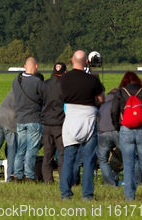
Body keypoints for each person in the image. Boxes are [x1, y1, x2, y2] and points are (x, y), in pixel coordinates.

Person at [59, 50, 104, 200]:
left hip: (70, 118)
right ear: (86, 61)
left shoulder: (64, 79)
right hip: (89, 119)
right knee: (89, 160)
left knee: (68, 159)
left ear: (72, 61)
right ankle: (87, 195)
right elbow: (101, 99)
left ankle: (65, 193)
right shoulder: (92, 80)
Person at [111, 71, 142, 201]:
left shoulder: (120, 92)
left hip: (126, 130)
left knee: (128, 164)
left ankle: (129, 196)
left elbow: (114, 111)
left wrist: (118, 127)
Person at [12, 57, 44, 182]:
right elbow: (43, 98)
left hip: (20, 119)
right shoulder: (37, 82)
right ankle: (29, 175)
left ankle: (17, 174)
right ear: (36, 66)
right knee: (32, 149)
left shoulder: (16, 80)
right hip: (34, 118)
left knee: (21, 148)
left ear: (25, 66)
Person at [41, 62, 66, 183]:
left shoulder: (44, 84)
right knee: (61, 155)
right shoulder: (65, 85)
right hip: (60, 123)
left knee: (47, 154)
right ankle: (63, 180)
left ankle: (47, 180)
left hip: (46, 123)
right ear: (64, 72)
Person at [96, 88, 121, 186]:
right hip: (117, 131)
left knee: (102, 159)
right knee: (130, 157)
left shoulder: (102, 104)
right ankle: (135, 181)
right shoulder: (120, 103)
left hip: (103, 132)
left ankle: (110, 184)